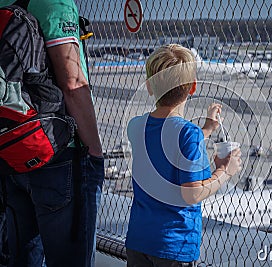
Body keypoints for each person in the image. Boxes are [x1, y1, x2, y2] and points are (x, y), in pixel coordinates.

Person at [0, 0, 104, 266]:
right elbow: (72, 82)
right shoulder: (54, 2)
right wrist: (94, 154)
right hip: (56, 149)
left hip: (10, 148)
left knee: (22, 257)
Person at [125, 44, 242, 266]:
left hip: (139, 240)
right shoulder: (189, 134)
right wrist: (226, 171)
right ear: (193, 87)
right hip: (173, 245)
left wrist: (206, 130)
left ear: (149, 87)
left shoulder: (135, 126)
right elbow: (192, 194)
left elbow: (162, 143)